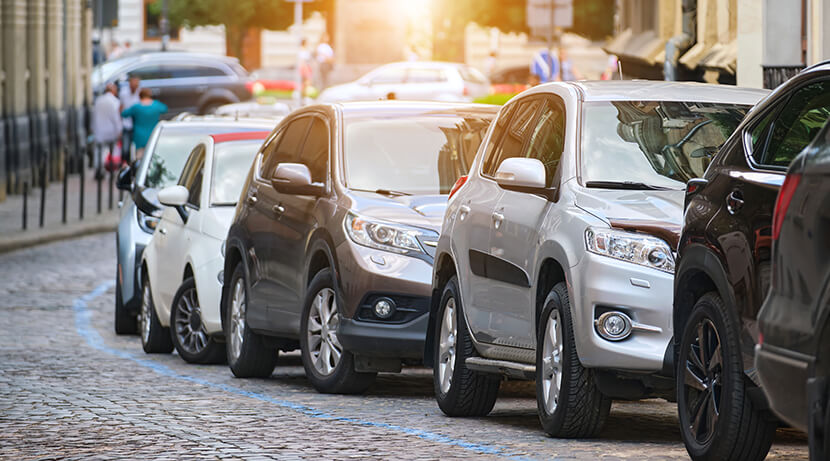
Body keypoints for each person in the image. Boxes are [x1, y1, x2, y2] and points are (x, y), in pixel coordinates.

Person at [121, 88, 168, 160]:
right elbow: (165, 109)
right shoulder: (156, 105)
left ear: (139, 96)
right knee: (152, 158)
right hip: (153, 134)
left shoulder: (136, 107)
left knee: (140, 159)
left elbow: (124, 114)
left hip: (139, 137)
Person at [92, 83, 123, 179]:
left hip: (99, 130)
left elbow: (94, 116)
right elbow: (116, 118)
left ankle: (99, 169)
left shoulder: (99, 101)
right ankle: (110, 171)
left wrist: (93, 128)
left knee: (99, 151)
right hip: (111, 131)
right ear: (113, 91)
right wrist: (119, 130)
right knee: (112, 151)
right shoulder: (115, 102)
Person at [119, 76, 141, 164]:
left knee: (136, 150)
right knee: (125, 149)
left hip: (136, 125)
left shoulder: (139, 93)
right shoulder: (124, 93)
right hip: (126, 124)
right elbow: (121, 109)